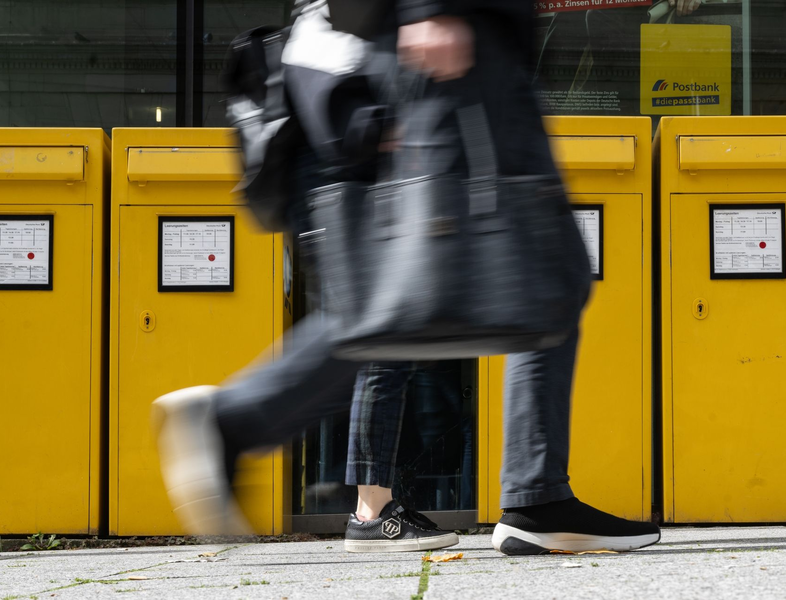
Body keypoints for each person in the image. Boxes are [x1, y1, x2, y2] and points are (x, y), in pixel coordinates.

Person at [152, 0, 660, 555]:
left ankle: (238, 420)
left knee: (428, 294)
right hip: (459, 41)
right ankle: (533, 498)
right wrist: (430, 8)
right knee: (534, 275)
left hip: (458, 43)